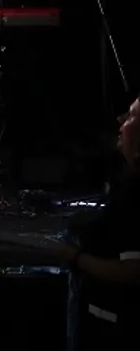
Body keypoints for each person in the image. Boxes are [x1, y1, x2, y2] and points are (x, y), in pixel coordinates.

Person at [58, 96, 140, 348]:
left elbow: (132, 271)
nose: (120, 120)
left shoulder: (134, 192)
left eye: (131, 115)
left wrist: (74, 256)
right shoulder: (125, 185)